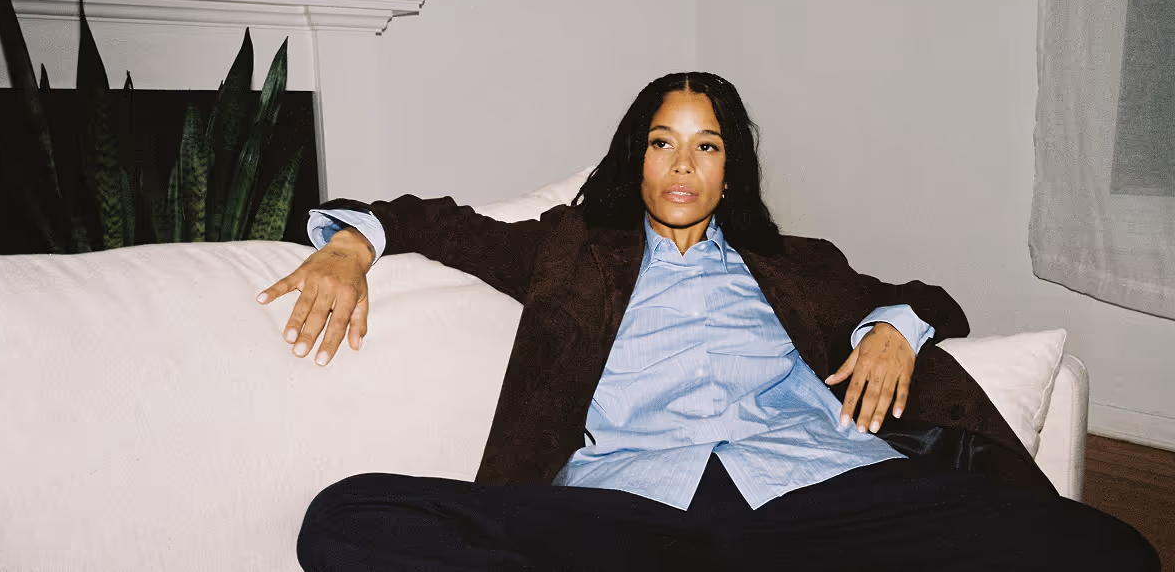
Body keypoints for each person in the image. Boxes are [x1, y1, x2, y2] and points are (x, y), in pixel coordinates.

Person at [261, 73, 1158, 571]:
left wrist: (897, 325)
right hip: (638, 508)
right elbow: (436, 221)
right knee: (347, 520)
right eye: (662, 141)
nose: (682, 164)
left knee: (1107, 550)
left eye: (706, 144)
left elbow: (933, 297)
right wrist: (350, 245)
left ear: (732, 169)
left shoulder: (799, 264)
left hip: (825, 494)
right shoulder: (572, 249)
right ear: (636, 158)